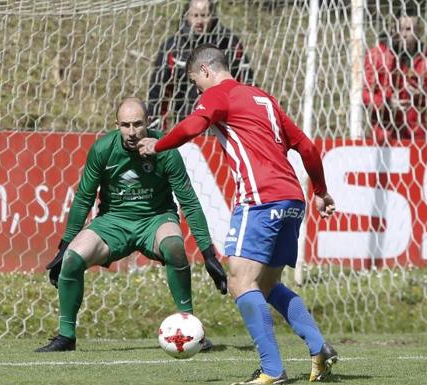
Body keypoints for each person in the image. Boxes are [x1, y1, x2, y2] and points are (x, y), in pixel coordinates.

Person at [138, 45, 338, 384]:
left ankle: (272, 370)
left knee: (239, 282)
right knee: (269, 285)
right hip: (292, 198)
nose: (198, 92)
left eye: (195, 83)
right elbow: (306, 146)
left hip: (260, 200)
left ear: (205, 71)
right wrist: (319, 190)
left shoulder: (218, 94)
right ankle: (318, 347)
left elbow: (192, 127)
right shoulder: (264, 99)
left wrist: (156, 145)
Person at [35, 97, 227, 353]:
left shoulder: (165, 149)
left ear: (149, 123)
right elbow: (83, 197)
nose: (132, 131)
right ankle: (66, 336)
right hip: (113, 223)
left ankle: (191, 330)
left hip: (156, 219)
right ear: (117, 125)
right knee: (72, 259)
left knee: (174, 246)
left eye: (138, 124)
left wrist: (208, 253)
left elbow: (189, 202)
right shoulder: (103, 149)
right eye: (125, 125)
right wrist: (64, 245)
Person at [147, 0, 254, 130]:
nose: (199, 21)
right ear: (187, 15)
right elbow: (159, 93)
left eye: (204, 15)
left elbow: (247, 84)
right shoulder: (173, 48)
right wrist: (157, 128)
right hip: (188, 123)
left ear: (212, 16)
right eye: (195, 15)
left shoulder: (229, 43)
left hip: (226, 124)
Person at [363, 8, 427, 143]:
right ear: (393, 30)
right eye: (400, 29)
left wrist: (423, 94)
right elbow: (364, 94)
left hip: (414, 136)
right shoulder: (377, 56)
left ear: (419, 32)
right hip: (382, 134)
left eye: (408, 29)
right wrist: (387, 104)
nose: (404, 34)